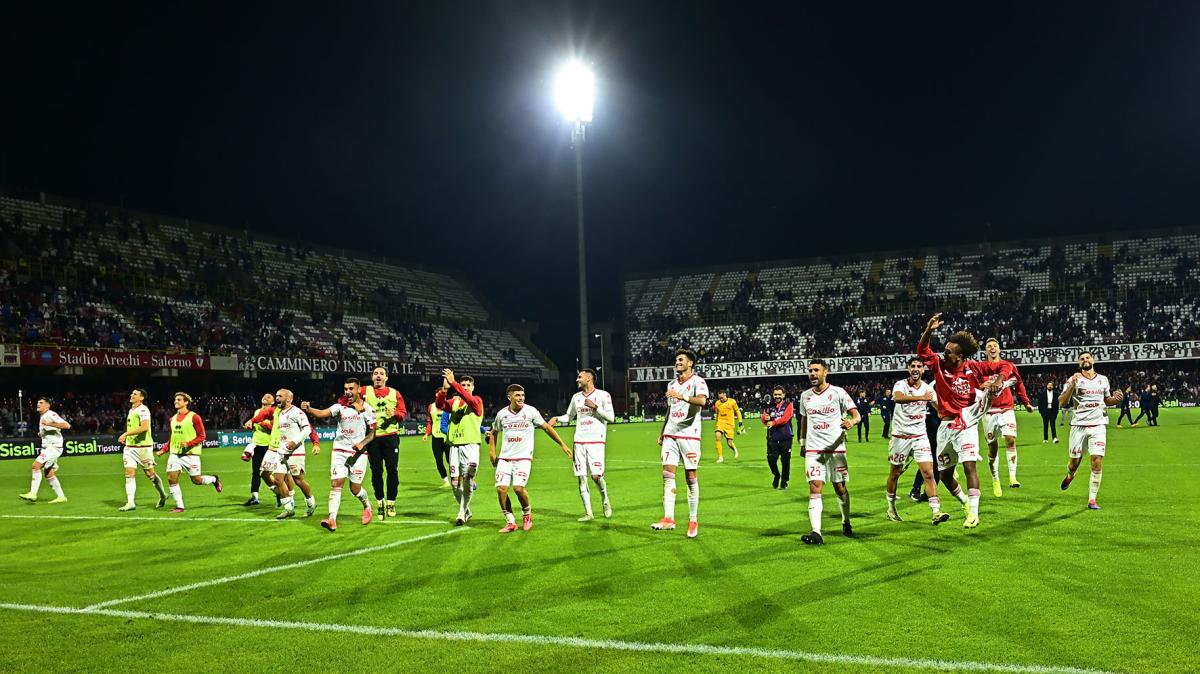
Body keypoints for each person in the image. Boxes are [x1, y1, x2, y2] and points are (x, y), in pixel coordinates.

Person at [917, 313, 1012, 529]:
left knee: (969, 467)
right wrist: (929, 330)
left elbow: (1006, 366)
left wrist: (999, 380)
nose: (944, 353)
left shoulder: (973, 367)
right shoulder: (938, 365)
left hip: (966, 423)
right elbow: (922, 351)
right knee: (945, 475)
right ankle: (965, 503)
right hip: (945, 426)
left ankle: (974, 514)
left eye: (948, 351)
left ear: (959, 356)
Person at [488, 384, 572, 533]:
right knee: (501, 489)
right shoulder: (502, 414)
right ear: (509, 397)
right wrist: (492, 453)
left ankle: (527, 515)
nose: (521, 398)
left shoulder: (531, 411)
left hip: (523, 457)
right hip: (505, 458)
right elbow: (494, 432)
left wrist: (562, 444)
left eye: (522, 395)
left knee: (518, 488)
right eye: (517, 395)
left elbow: (546, 427)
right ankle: (510, 521)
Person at [797, 359, 861, 545]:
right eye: (810, 370)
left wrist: (851, 422)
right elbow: (804, 421)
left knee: (839, 488)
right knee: (815, 487)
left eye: (816, 370)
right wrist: (803, 443)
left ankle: (846, 521)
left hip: (836, 450)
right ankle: (816, 532)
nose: (812, 373)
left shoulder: (838, 392)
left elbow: (856, 415)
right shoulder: (805, 396)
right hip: (814, 450)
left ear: (825, 372)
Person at [304, 378, 377, 532]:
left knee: (355, 488)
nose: (348, 392)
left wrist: (362, 443)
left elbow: (372, 434)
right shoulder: (340, 407)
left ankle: (367, 505)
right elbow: (322, 413)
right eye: (345, 389)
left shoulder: (367, 409)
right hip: (339, 451)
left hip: (358, 454)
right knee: (336, 483)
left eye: (351, 389)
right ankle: (332, 519)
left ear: (359, 390)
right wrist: (309, 409)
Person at [885, 358, 949, 524]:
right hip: (900, 437)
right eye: (912, 366)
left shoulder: (928, 389)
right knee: (895, 473)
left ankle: (936, 511)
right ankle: (891, 508)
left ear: (923, 370)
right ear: (908, 369)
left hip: (920, 436)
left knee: (928, 473)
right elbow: (898, 398)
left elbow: (939, 409)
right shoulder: (900, 385)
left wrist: (951, 416)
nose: (915, 369)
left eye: (919, 366)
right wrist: (922, 397)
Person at [652, 349, 709, 538]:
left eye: (681, 360)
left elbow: (702, 401)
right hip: (671, 433)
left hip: (689, 435)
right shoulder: (671, 384)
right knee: (667, 474)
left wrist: (682, 396)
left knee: (690, 477)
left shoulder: (698, 382)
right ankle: (669, 518)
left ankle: (693, 520)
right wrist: (662, 432)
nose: (677, 362)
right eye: (676, 360)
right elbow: (670, 410)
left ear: (690, 363)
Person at [547, 369, 615, 522]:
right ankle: (588, 512)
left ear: (589, 378)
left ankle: (605, 499)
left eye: (580, 377)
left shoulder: (603, 395)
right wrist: (557, 418)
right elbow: (569, 416)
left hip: (596, 441)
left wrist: (595, 407)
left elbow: (611, 418)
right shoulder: (576, 397)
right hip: (579, 441)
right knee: (581, 477)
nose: (577, 380)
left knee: (596, 476)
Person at [1059, 352, 1123, 510]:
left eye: (1087, 357)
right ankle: (1070, 475)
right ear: (1079, 364)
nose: (1085, 360)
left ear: (1093, 360)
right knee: (1073, 464)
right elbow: (1061, 402)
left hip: (1098, 426)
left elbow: (1107, 400)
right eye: (1082, 359)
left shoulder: (1103, 379)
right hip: (1079, 426)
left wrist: (1116, 399)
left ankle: (1092, 499)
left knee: (1097, 461)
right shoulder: (1073, 379)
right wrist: (1072, 386)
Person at [980, 338, 1034, 496]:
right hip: (988, 411)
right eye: (989, 346)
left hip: (1006, 409)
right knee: (992, 447)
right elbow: (973, 385)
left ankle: (1012, 476)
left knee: (1010, 439)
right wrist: (981, 386)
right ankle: (995, 479)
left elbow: (1019, 383)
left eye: (994, 346)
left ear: (999, 350)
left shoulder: (1009, 366)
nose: (992, 348)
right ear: (986, 351)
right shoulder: (981, 367)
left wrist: (1026, 402)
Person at [156, 392, 221, 513]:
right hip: (175, 454)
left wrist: (188, 443)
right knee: (171, 478)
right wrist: (164, 449)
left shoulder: (194, 417)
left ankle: (214, 479)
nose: (176, 401)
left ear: (186, 402)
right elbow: (173, 437)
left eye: (179, 399)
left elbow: (202, 436)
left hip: (191, 454)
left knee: (197, 480)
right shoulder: (172, 419)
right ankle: (179, 506)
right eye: (175, 399)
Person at [435, 369, 484, 526]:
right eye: (463, 385)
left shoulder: (477, 401)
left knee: (468, 478)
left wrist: (454, 383)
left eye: (468, 385)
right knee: (455, 483)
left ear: (473, 387)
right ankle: (466, 510)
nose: (466, 387)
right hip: (454, 446)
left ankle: (461, 512)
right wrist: (444, 390)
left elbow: (468, 398)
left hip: (471, 445)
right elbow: (439, 405)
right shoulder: (454, 402)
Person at [362, 367, 408, 519]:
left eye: (381, 374)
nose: (378, 376)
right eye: (376, 373)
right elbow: (348, 398)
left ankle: (391, 502)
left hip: (390, 437)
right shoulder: (365, 391)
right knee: (376, 472)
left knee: (392, 470)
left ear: (386, 378)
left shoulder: (395, 393)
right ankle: (380, 502)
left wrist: (394, 413)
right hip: (373, 438)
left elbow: (403, 414)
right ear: (372, 377)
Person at [116, 388, 168, 512]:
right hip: (130, 448)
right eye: (132, 393)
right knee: (129, 473)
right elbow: (134, 428)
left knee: (150, 474)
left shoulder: (143, 410)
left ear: (141, 398)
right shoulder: (131, 410)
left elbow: (144, 427)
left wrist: (126, 434)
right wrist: (128, 438)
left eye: (135, 394)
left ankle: (162, 495)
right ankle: (130, 502)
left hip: (143, 448)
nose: (131, 395)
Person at [273, 388, 321, 519]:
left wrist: (295, 442)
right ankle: (288, 508)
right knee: (278, 480)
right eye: (276, 396)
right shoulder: (280, 413)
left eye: (280, 396)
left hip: (295, 451)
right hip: (282, 451)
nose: (277, 398)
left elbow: (307, 430)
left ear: (289, 399)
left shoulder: (297, 412)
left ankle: (311, 503)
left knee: (298, 480)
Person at [19, 397, 71, 503]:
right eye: (38, 402)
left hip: (54, 447)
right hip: (48, 448)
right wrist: (42, 433)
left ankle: (33, 493)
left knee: (36, 465)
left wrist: (49, 424)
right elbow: (49, 430)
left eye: (41, 403)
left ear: (47, 405)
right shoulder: (43, 416)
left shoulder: (51, 414)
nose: (38, 404)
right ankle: (61, 497)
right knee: (48, 473)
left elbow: (67, 425)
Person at [240, 393, 276, 506]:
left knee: (270, 473)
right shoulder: (257, 412)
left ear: (273, 402)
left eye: (269, 397)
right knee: (256, 472)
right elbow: (254, 427)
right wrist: (249, 426)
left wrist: (262, 423)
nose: (265, 397)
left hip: (270, 446)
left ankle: (282, 493)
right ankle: (254, 497)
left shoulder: (275, 413)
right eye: (264, 396)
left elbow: (275, 429)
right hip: (257, 445)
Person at [761, 385, 794, 489]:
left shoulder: (788, 405)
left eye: (779, 394)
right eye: (775, 394)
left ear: (783, 395)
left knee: (785, 461)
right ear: (773, 395)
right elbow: (764, 420)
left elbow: (785, 418)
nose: (777, 396)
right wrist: (765, 418)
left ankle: (784, 482)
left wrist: (773, 422)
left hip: (785, 437)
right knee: (771, 460)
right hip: (772, 437)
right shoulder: (769, 406)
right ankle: (776, 475)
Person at [423, 391, 452, 488]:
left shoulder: (449, 405)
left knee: (450, 460)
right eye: (439, 393)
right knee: (439, 461)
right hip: (436, 438)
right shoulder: (431, 407)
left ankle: (455, 479)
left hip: (447, 437)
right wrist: (427, 433)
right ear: (436, 394)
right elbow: (430, 422)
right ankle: (446, 481)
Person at [711, 390, 743, 463]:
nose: (720, 399)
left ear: (725, 394)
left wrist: (740, 421)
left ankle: (734, 449)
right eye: (719, 398)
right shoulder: (717, 403)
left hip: (729, 424)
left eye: (721, 397)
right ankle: (720, 457)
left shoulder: (732, 401)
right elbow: (717, 414)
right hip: (720, 423)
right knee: (718, 436)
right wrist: (716, 423)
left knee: (729, 443)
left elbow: (737, 411)